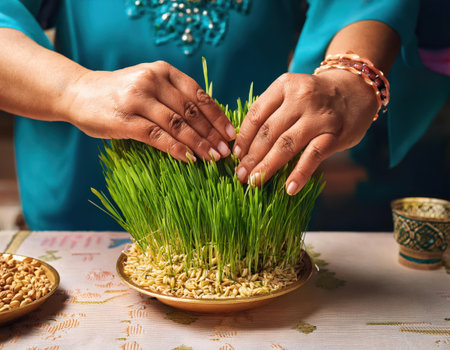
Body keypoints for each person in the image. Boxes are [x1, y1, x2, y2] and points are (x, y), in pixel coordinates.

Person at [0, 0, 448, 231]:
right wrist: (75, 88)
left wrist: (350, 72)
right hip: (81, 198)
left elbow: (361, 6)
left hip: (256, 193)